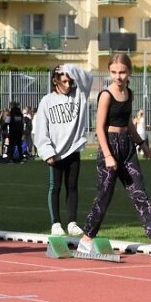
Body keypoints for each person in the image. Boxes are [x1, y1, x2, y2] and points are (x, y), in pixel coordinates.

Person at [78, 53, 151, 257]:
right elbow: (99, 128)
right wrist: (107, 155)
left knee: (139, 192)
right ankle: (86, 239)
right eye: (113, 72)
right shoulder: (106, 95)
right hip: (110, 147)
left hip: (127, 148)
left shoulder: (129, 93)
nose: (118, 76)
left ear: (129, 72)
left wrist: (142, 144)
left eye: (122, 72)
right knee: (104, 196)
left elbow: (128, 122)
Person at [33, 64, 93, 237]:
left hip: (73, 149)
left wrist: (69, 67)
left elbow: (88, 78)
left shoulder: (79, 95)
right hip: (55, 153)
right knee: (55, 187)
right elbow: (41, 129)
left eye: (70, 81)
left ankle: (72, 222)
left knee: (72, 186)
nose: (68, 85)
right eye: (64, 81)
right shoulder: (46, 101)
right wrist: (46, 151)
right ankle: (56, 223)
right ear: (55, 81)